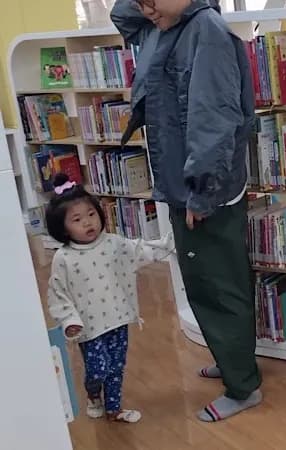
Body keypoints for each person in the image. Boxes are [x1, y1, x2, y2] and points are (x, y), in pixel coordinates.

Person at [111, 0, 261, 422]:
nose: (145, 9)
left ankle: (243, 386)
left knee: (217, 287)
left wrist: (201, 193)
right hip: (185, 182)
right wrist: (154, 6)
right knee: (206, 281)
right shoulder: (167, 25)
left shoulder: (205, 30)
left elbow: (213, 119)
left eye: (150, 1)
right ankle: (234, 363)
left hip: (204, 188)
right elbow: (121, 16)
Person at [45, 173, 173, 423]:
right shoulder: (64, 258)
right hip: (89, 326)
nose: (88, 223)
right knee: (98, 369)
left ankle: (114, 409)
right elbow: (58, 293)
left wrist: (170, 243)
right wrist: (69, 320)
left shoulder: (113, 243)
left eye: (91, 214)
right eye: (77, 219)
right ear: (62, 227)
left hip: (119, 319)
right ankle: (93, 394)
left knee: (116, 367)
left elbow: (139, 250)